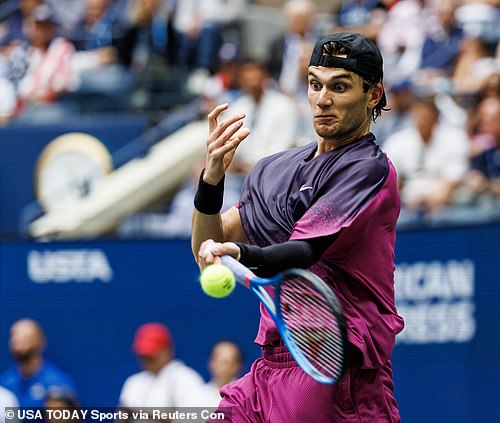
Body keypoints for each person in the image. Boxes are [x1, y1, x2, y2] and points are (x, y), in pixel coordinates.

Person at [192, 32, 403, 422]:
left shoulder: (369, 170)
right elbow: (210, 247)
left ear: (373, 96)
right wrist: (211, 181)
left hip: (335, 374)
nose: (323, 99)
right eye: (315, 85)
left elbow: (303, 252)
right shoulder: (273, 170)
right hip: (269, 369)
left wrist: (240, 254)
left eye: (339, 87)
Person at [118, 322, 208, 407]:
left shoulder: (185, 378)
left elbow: (194, 417)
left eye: (151, 356)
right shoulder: (134, 382)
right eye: (143, 356)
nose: (146, 360)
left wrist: (143, 414)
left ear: (167, 351)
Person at [0, 318, 77, 407]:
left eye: (25, 338)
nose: (18, 342)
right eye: (14, 337)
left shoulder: (57, 383)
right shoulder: (4, 383)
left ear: (40, 342)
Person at [200, 340, 243, 406]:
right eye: (219, 361)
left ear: (238, 366)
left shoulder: (245, 396)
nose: (223, 368)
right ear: (210, 362)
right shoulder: (199, 394)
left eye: (227, 362)